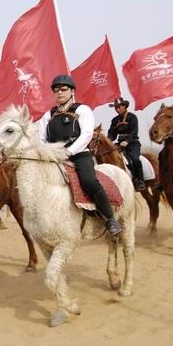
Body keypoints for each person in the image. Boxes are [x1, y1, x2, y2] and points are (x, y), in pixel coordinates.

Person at [37, 74, 123, 236]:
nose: (59, 93)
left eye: (63, 89)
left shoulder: (82, 110)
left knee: (89, 181)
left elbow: (86, 134)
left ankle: (110, 219)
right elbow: (41, 138)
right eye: (56, 90)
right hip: (54, 158)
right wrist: (49, 153)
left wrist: (69, 152)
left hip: (78, 155)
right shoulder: (47, 116)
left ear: (72, 91)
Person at [107, 97, 146, 191]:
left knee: (135, 159)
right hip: (120, 144)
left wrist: (127, 141)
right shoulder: (114, 120)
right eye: (116, 107)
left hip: (132, 143)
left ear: (124, 106)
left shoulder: (132, 117)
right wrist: (108, 142)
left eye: (119, 107)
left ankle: (140, 180)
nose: (117, 109)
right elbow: (112, 134)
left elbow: (134, 132)